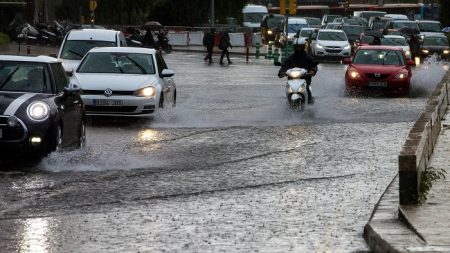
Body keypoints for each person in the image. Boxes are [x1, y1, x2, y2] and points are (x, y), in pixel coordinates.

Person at [278, 37, 318, 104]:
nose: (298, 48)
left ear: (303, 46)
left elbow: (313, 65)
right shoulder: (291, 57)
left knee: (307, 89)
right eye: (297, 47)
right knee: (287, 90)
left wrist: (312, 70)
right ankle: (287, 102)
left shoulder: (308, 57)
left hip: (305, 79)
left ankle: (310, 103)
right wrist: (282, 72)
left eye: (300, 47)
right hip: (291, 79)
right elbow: (285, 66)